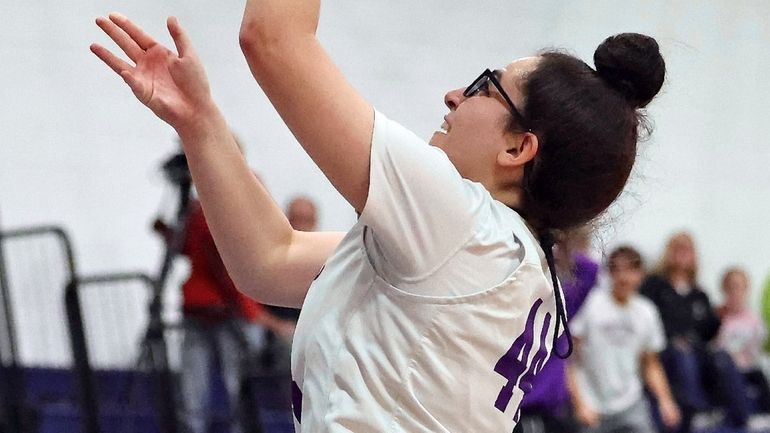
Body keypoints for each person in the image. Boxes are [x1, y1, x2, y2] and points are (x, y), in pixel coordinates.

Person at [90, 4, 665, 431]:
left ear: (518, 149)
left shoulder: (465, 227)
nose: (452, 96)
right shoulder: (497, 255)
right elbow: (270, 261)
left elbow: (273, 37)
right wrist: (201, 123)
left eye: (484, 87)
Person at [154, 198, 295, 433]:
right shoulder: (211, 216)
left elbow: (205, 257)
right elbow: (224, 269)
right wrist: (258, 316)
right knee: (224, 384)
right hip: (217, 311)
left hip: (213, 310)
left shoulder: (202, 215)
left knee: (208, 386)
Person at [640, 232, 750, 432]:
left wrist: (719, 317)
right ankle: (697, 413)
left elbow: (707, 333)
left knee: (722, 356)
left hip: (697, 351)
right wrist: (676, 339)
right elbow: (645, 321)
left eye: (687, 249)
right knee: (684, 354)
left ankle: (742, 417)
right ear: (669, 252)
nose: (683, 253)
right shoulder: (654, 286)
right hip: (665, 352)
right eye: (678, 248)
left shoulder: (700, 294)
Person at [567, 246, 680, 433]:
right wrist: (579, 403)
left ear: (641, 274)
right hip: (592, 404)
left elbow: (651, 363)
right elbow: (568, 358)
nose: (623, 277)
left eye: (630, 270)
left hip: (631, 403)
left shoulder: (647, 312)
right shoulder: (591, 303)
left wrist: (665, 400)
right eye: (617, 269)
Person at [515, 227, 600, 433]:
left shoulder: (562, 310)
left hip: (550, 409)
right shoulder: (514, 311)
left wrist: (562, 242)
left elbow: (589, 270)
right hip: (522, 406)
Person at [262, 197, 318, 373]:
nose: (302, 225)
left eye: (307, 220)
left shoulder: (326, 258)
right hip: (278, 328)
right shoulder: (272, 256)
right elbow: (252, 307)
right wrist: (277, 326)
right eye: (296, 219)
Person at [716, 267, 770, 413]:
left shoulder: (755, 320)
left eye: (739, 287)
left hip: (750, 368)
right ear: (724, 290)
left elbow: (757, 348)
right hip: (725, 371)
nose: (736, 293)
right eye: (731, 288)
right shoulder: (718, 318)